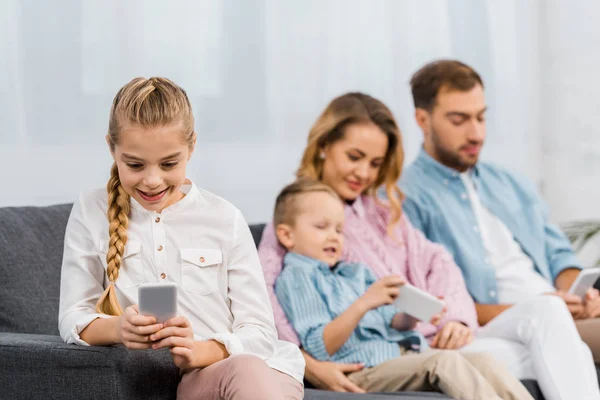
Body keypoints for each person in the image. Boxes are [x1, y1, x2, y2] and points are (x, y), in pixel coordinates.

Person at [258, 91, 600, 400]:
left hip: (437, 336)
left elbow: (442, 266)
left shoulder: (384, 213)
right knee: (556, 354)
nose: (363, 173)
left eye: (375, 164)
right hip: (401, 352)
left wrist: (456, 321)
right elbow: (264, 310)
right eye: (354, 156)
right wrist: (307, 365)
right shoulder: (295, 219)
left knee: (548, 315)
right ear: (324, 146)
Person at [58, 77, 304, 400]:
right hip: (201, 383)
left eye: (169, 163)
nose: (152, 180)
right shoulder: (91, 211)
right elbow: (72, 317)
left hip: (264, 369)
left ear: (192, 146)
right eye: (134, 164)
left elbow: (260, 333)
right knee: (244, 374)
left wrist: (200, 351)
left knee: (249, 370)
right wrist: (119, 328)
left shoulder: (224, 218)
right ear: (111, 148)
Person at [400, 58, 600, 360]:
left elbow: (559, 257)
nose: (476, 134)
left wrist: (581, 296)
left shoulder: (510, 182)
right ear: (422, 120)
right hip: (500, 324)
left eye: (481, 118)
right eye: (459, 120)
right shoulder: (404, 197)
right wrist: (540, 308)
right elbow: (431, 303)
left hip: (557, 313)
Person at [272, 179, 532, 399]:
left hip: (398, 354)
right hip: (361, 370)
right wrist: (364, 303)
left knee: (484, 361)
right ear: (286, 235)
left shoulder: (353, 273)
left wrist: (414, 314)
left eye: (339, 230)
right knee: (444, 362)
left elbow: (391, 321)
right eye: (321, 227)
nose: (333, 236)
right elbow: (319, 347)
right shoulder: (297, 277)